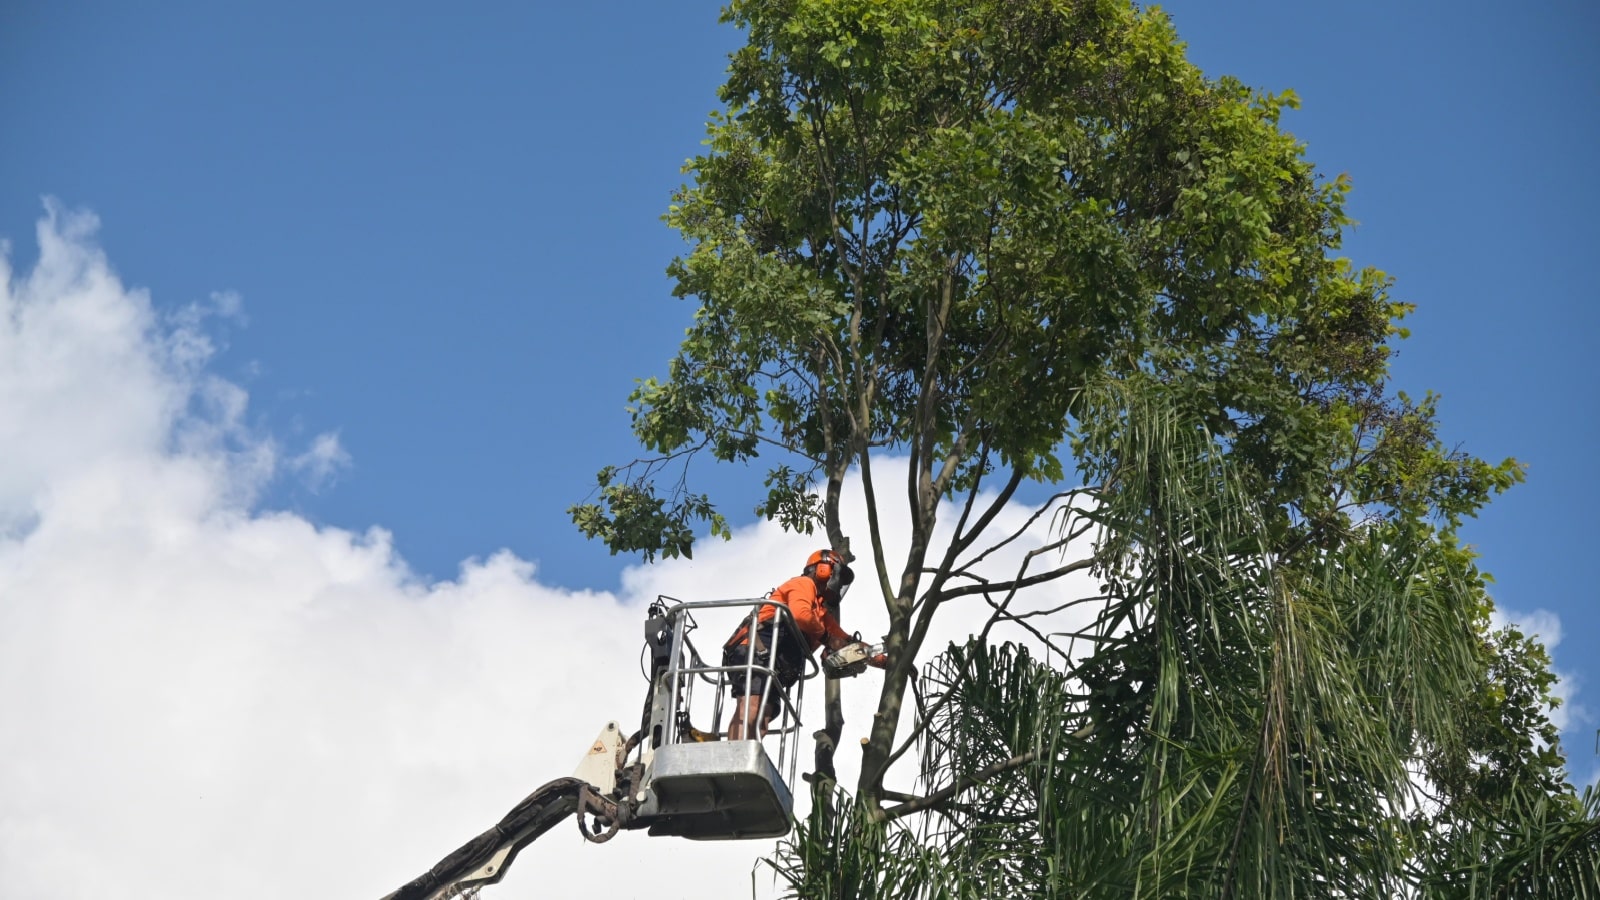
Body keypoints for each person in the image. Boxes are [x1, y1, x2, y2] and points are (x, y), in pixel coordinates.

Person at [723, 549, 883, 741]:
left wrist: (890, 661)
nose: (838, 583)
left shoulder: (822, 614)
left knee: (763, 720)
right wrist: (828, 639)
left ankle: (745, 762)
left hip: (773, 663)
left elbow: (850, 645)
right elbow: (800, 615)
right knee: (751, 706)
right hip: (754, 648)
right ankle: (735, 760)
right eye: (838, 575)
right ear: (822, 569)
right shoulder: (803, 584)